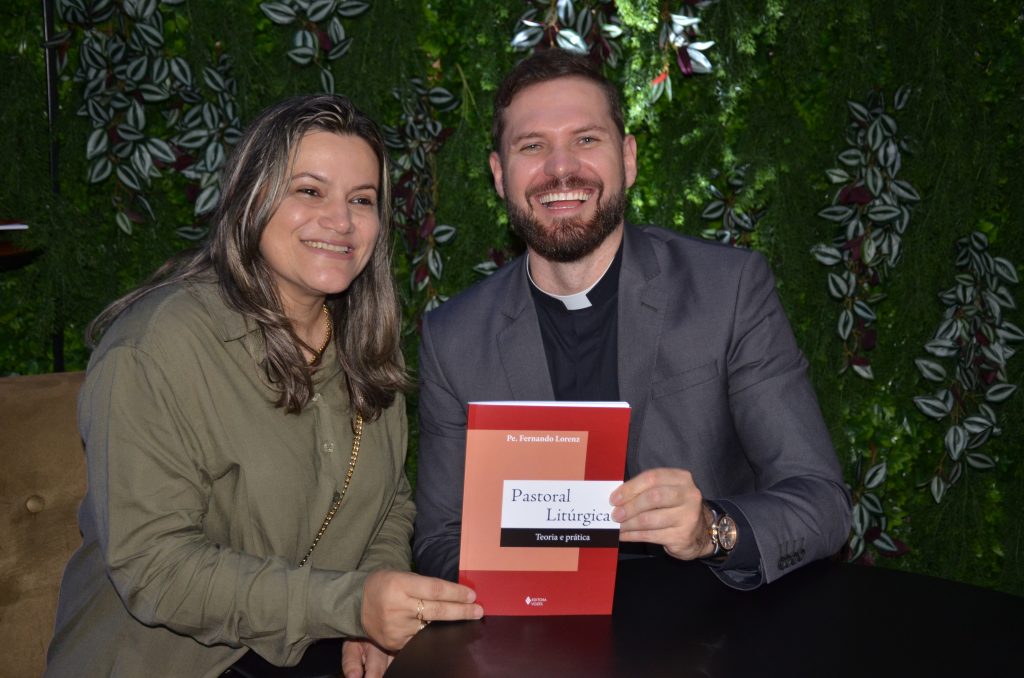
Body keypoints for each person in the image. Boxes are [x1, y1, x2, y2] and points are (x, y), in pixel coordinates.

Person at [46, 94, 482, 678]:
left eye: (362, 199)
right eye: (309, 191)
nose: (341, 219)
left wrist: (378, 607)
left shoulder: (364, 342)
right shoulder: (154, 348)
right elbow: (156, 569)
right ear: (251, 197)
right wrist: (350, 604)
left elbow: (388, 505)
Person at [412, 50, 851, 590]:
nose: (560, 168)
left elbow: (820, 501)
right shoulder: (452, 339)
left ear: (629, 158)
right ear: (500, 176)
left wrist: (712, 531)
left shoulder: (726, 292)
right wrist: (524, 583)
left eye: (586, 140)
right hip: (538, 638)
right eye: (532, 147)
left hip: (710, 629)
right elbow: (438, 539)